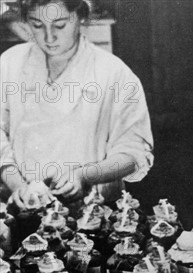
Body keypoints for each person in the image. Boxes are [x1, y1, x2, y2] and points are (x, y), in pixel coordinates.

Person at [0, 0, 153, 206]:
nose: (49, 37)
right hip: (22, 206)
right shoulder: (10, 63)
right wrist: (18, 185)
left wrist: (84, 175)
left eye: (60, 25)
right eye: (37, 25)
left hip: (92, 209)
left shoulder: (113, 72)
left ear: (80, 16)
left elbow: (134, 153)